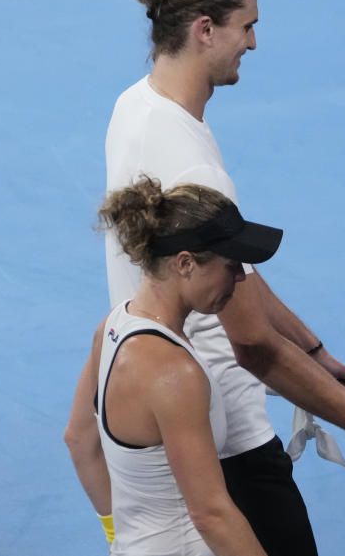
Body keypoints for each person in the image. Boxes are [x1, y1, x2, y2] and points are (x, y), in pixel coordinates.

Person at [64, 0, 345, 555]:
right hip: (223, 437)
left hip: (161, 425)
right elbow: (252, 341)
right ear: (205, 29)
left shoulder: (136, 105)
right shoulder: (188, 161)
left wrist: (312, 349)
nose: (254, 43)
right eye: (247, 26)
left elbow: (239, 275)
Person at [69, 178, 283, 555]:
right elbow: (212, 514)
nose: (240, 278)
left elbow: (79, 441)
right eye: (231, 265)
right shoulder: (174, 373)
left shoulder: (113, 326)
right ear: (185, 263)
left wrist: (117, 535)